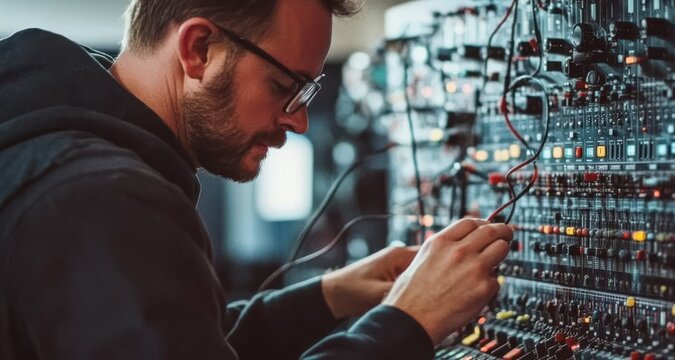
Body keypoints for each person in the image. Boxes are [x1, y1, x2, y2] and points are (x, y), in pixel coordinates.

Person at [0, 0, 514, 358]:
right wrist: (408, 323)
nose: (299, 120)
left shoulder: (57, 150)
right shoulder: (105, 197)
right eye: (285, 86)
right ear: (199, 48)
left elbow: (188, 344)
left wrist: (330, 295)